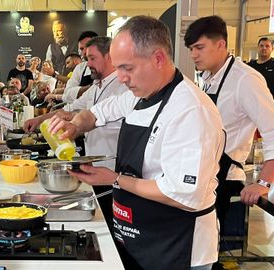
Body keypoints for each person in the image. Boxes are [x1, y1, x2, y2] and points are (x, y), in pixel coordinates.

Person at [48, 16, 224, 269]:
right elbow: (98, 112)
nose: (120, 78)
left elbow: (180, 194)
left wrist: (115, 179)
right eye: (118, 68)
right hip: (140, 236)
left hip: (176, 245)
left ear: (158, 59)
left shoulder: (191, 110)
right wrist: (75, 125)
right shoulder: (141, 93)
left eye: (127, 68)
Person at [184, 16, 274, 251]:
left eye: (199, 48)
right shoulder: (208, 78)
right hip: (204, 177)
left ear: (221, 45)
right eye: (191, 48)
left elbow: (272, 128)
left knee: (212, 254)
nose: (193, 55)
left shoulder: (246, 79)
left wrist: (264, 182)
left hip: (225, 181)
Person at [25, 36, 128, 231]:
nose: (87, 64)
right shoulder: (96, 87)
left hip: (113, 169)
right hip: (96, 169)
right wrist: (39, 120)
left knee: (112, 224)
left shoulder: (121, 87)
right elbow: (69, 110)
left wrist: (76, 124)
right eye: (86, 58)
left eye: (92, 58)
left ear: (109, 57)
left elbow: (97, 118)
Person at [62, 31, 98, 103]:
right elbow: (67, 95)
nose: (85, 52)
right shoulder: (80, 68)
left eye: (88, 47)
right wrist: (91, 88)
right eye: (81, 49)